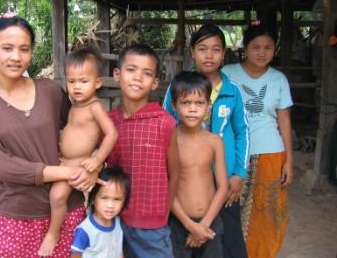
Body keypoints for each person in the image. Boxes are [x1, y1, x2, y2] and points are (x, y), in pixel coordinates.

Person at [0, 17, 98, 258]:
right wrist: (69, 172)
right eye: (7, 48)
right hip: (19, 214)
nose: (16, 57)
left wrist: (94, 166)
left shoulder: (49, 90)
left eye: (24, 49)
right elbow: (5, 167)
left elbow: (84, 131)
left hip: (69, 208)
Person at [163, 24, 250, 258]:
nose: (209, 55)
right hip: (185, 175)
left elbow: (242, 131)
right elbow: (165, 127)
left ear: (224, 53)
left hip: (225, 175)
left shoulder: (232, 90)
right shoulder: (178, 87)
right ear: (192, 51)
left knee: (229, 240)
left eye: (216, 49)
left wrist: (239, 173)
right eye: (202, 49)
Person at [222, 24, 293, 258]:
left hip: (271, 153)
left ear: (275, 50)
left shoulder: (278, 79)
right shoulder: (228, 73)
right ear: (245, 49)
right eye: (256, 47)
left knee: (267, 213)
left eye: (268, 48)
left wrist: (289, 160)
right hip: (234, 153)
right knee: (230, 208)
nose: (262, 52)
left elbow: (284, 120)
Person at [39, 49, 118, 256]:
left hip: (78, 164)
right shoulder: (75, 106)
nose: (76, 87)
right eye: (72, 82)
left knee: (57, 196)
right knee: (54, 195)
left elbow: (111, 134)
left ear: (98, 82)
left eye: (83, 81)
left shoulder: (95, 107)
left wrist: (98, 159)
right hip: (64, 162)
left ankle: (53, 233)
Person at [107, 44, 179, 258]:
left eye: (147, 73)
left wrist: (164, 214)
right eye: (131, 70)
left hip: (152, 227)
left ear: (155, 82)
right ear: (117, 74)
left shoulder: (164, 123)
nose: (138, 77)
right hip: (114, 219)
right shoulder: (109, 122)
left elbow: (174, 173)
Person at [168, 71, 228, 258]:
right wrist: (190, 225)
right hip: (179, 222)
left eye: (199, 103)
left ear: (208, 105)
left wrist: (203, 226)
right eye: (185, 103)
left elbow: (223, 187)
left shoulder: (214, 141)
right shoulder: (169, 140)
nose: (192, 109)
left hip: (210, 221)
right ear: (174, 106)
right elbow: (166, 188)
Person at [70, 166, 130, 258]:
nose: (110, 205)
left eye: (117, 199)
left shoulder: (119, 223)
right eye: (104, 198)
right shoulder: (85, 230)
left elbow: (118, 250)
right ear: (93, 198)